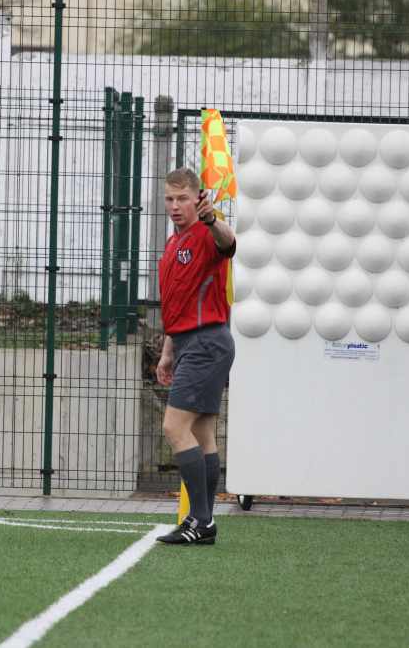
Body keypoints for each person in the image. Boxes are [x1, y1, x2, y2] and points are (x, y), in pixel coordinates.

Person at [155, 167, 236, 545]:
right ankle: (202, 520)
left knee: (174, 428)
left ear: (197, 199)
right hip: (191, 343)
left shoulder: (206, 232)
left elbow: (229, 243)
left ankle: (202, 521)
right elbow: (178, 304)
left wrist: (213, 219)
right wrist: (167, 352)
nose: (175, 205)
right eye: (169, 199)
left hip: (207, 343)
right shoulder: (173, 243)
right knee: (202, 434)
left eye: (182, 198)